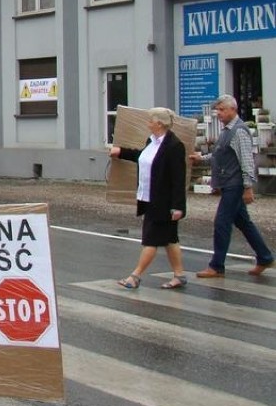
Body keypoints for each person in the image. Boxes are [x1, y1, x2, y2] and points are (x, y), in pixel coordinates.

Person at [189, 94, 274, 278]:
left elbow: (247, 160)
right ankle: (265, 257)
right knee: (243, 222)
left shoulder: (239, 131)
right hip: (228, 183)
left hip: (235, 184)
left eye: (221, 110)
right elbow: (219, 155)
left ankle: (217, 265)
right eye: (217, 110)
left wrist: (248, 186)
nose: (218, 113)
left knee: (222, 223)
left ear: (233, 110)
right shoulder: (227, 130)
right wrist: (201, 159)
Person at [110, 107, 188, 290]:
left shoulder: (174, 145)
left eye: (150, 120)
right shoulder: (151, 141)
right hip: (147, 197)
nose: (148, 123)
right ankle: (180, 275)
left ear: (159, 124)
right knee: (170, 239)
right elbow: (142, 157)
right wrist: (120, 152)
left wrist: (178, 207)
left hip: (163, 202)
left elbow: (178, 178)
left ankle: (135, 276)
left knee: (151, 239)